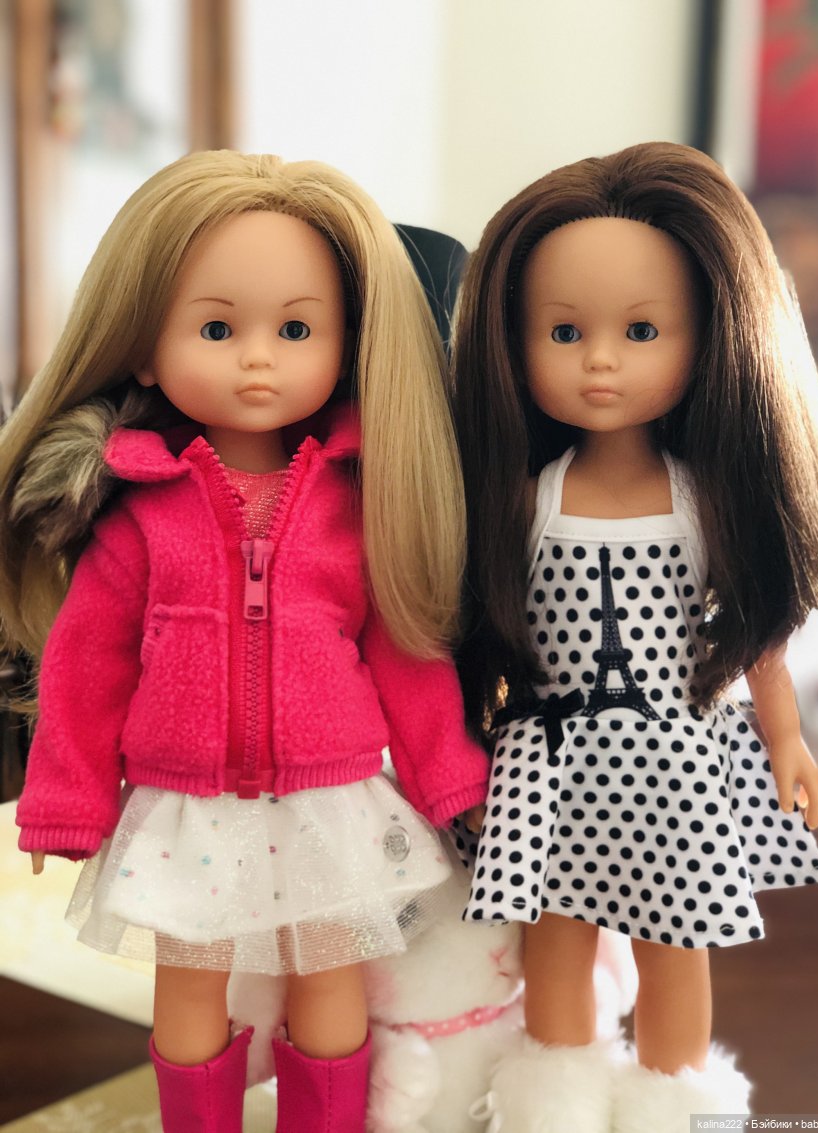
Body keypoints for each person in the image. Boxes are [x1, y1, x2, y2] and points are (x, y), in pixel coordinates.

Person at [0, 150, 490, 1133]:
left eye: (296, 329)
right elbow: (87, 668)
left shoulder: (357, 503)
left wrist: (453, 779)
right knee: (190, 982)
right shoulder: (141, 512)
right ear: (145, 349)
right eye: (218, 329)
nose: (258, 358)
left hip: (331, 794)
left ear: (347, 344)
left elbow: (406, 654)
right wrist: (67, 798)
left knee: (328, 974)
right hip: (186, 802)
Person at [451, 141, 818, 1132]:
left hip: (674, 748)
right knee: (554, 936)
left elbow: (754, 628)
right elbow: (484, 625)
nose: (600, 360)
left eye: (640, 330)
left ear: (709, 338)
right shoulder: (527, 500)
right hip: (552, 751)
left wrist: (784, 734)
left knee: (677, 941)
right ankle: (554, 1102)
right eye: (564, 331)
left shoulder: (703, 499)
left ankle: (675, 1103)